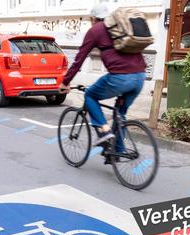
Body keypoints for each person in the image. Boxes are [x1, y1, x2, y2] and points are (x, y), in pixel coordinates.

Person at [59, 3, 146, 146]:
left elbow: (79, 59)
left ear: (93, 18)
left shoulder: (95, 30)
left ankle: (105, 132)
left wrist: (66, 81)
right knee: (120, 113)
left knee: (90, 96)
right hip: (140, 77)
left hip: (120, 78)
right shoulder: (119, 25)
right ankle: (118, 152)